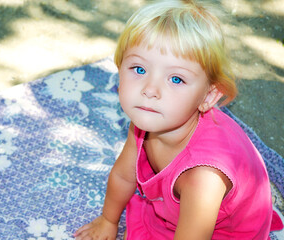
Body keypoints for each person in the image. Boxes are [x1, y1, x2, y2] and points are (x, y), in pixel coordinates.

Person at [74, 0, 283, 239]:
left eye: (176, 79)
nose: (150, 90)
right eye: (139, 69)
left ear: (208, 96)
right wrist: (108, 220)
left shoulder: (204, 176)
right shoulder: (150, 117)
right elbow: (123, 175)